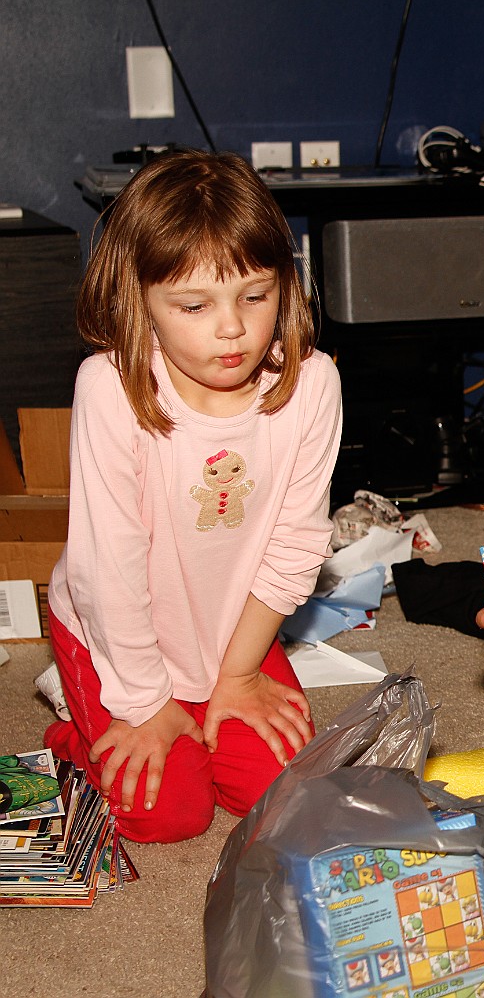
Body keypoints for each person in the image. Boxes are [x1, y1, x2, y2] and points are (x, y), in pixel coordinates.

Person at [43, 150, 343, 843]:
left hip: (234, 632)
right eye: (194, 305)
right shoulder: (109, 389)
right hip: (115, 630)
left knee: (279, 799)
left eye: (255, 296)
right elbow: (108, 573)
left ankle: (201, 702)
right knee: (168, 814)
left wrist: (238, 676)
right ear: (138, 299)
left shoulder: (314, 384)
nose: (231, 327)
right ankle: (75, 727)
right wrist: (145, 704)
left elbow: (296, 546)